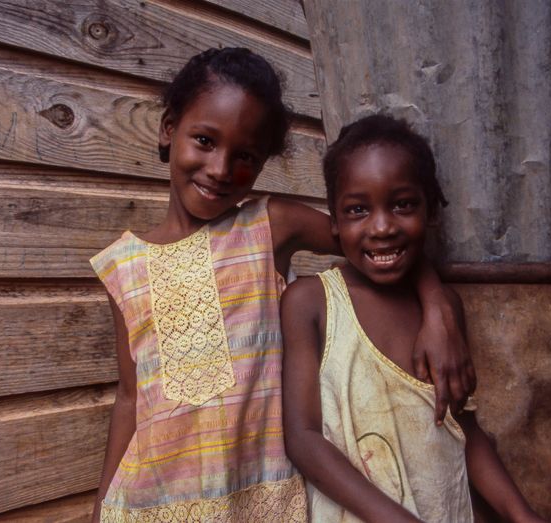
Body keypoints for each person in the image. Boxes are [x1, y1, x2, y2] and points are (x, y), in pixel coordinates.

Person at [89, 49, 474, 522]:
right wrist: (102, 503)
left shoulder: (270, 225)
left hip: (259, 496)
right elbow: (130, 397)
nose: (220, 168)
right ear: (170, 129)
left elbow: (378, 244)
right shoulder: (122, 265)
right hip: (154, 503)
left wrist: (438, 308)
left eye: (245, 156)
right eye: (205, 140)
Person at [282, 115, 548, 523]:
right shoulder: (311, 302)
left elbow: (461, 427)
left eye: (403, 204)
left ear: (431, 210)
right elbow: (303, 439)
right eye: (357, 210)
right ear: (334, 221)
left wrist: (521, 513)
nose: (382, 227)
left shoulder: (442, 315)